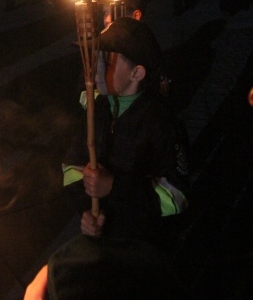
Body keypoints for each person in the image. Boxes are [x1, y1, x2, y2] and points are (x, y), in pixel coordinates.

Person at [26, 17, 189, 300]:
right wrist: (87, 212)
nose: (94, 66)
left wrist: (114, 187)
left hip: (144, 246)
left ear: (137, 73)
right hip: (103, 237)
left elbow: (176, 197)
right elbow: (72, 168)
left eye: (107, 60)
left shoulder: (160, 125)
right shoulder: (95, 109)